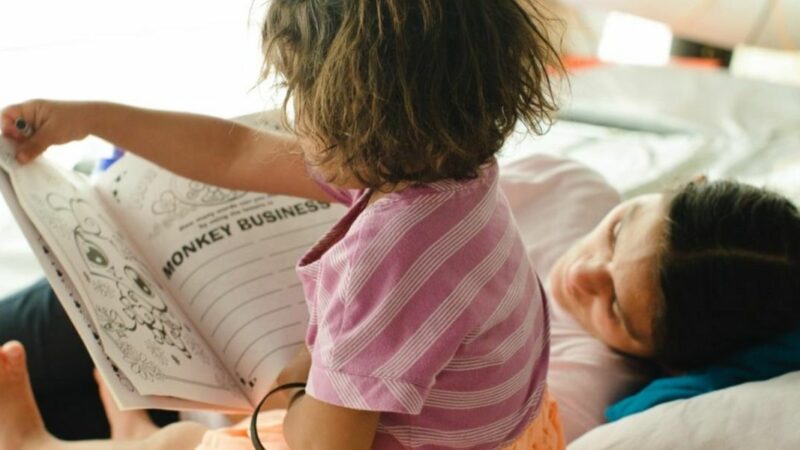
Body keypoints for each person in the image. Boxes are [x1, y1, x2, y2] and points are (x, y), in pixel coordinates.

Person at [0, 1, 565, 449]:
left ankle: (35, 445)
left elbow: (323, 446)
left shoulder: (384, 259)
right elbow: (236, 152)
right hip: (517, 430)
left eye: (298, 91)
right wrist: (91, 118)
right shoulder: (451, 164)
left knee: (182, 442)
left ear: (360, 116)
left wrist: (288, 388)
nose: (291, 111)